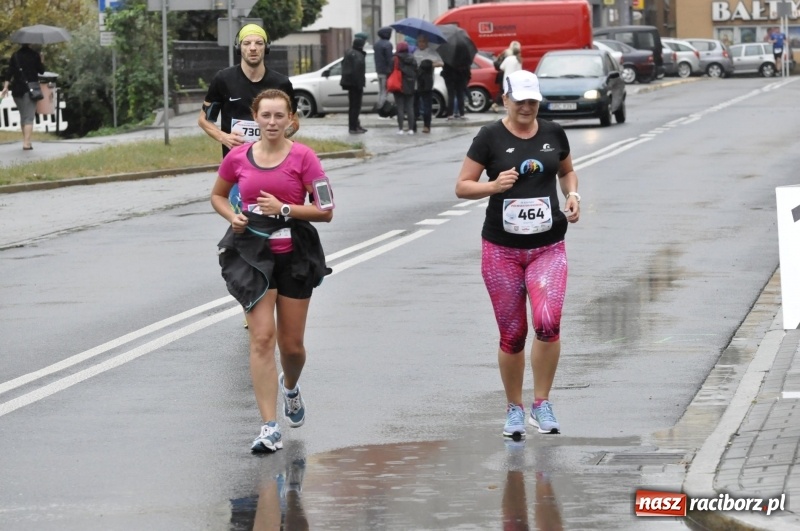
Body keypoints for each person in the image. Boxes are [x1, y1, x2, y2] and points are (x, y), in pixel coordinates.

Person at [454, 69, 581, 440]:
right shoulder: (489, 137)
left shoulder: (553, 132)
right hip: (501, 251)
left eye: (533, 100)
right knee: (512, 335)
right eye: (520, 100)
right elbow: (462, 186)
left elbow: (568, 172)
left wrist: (573, 196)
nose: (527, 107)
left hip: (548, 247)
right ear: (505, 99)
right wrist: (494, 185)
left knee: (548, 322)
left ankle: (542, 403)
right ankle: (514, 408)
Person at [211, 89, 333, 453]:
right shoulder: (237, 158)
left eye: (280, 116)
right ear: (255, 117)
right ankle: (269, 427)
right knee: (261, 338)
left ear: (291, 119)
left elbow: (326, 209)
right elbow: (218, 195)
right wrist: (232, 215)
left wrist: (284, 209)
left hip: (295, 255)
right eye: (266, 115)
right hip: (251, 254)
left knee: (291, 346)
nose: (272, 122)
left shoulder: (304, 157)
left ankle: (291, 387)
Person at [198, 24, 295, 158]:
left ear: (266, 48)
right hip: (236, 161)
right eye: (247, 43)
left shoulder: (281, 83)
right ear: (239, 47)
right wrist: (224, 137)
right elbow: (204, 120)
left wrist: (273, 137)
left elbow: (293, 122)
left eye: (259, 43)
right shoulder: (224, 79)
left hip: (272, 159)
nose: (253, 48)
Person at [1, 44, 45, 150]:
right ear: (30, 43)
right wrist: (42, 60)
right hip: (29, 90)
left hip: (16, 91)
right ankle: (26, 143)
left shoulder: (15, 55)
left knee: (23, 116)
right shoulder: (35, 55)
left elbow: (9, 72)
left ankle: (26, 140)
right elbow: (41, 71)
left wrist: (6, 87)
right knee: (29, 117)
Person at [412, 35, 443, 133]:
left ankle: (427, 126)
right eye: (419, 41)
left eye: (423, 42)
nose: (421, 44)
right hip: (416, 83)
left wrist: (429, 64)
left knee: (426, 106)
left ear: (426, 43)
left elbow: (441, 63)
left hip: (427, 83)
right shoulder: (415, 52)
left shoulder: (432, 52)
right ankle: (413, 126)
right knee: (414, 105)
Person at [341, 35, 368, 134]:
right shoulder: (358, 55)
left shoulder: (349, 52)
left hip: (350, 84)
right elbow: (358, 71)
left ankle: (355, 125)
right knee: (355, 106)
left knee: (353, 106)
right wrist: (360, 84)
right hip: (356, 84)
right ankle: (353, 127)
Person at [390, 41, 418, 134]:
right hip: (410, 84)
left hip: (398, 84)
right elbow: (416, 70)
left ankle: (400, 129)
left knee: (400, 108)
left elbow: (389, 70)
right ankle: (411, 129)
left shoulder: (395, 58)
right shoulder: (412, 58)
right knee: (410, 107)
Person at [491, 41, 522, 112]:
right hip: (510, 77)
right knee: (509, 93)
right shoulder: (517, 59)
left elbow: (501, 66)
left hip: (505, 76)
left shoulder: (506, 54)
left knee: (504, 92)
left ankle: (505, 106)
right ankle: (507, 106)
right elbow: (519, 70)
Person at [373, 27, 394, 115]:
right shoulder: (387, 44)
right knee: (385, 91)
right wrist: (391, 69)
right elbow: (390, 59)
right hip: (386, 71)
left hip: (379, 70)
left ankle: (380, 106)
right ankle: (382, 110)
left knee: (381, 90)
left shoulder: (376, 44)